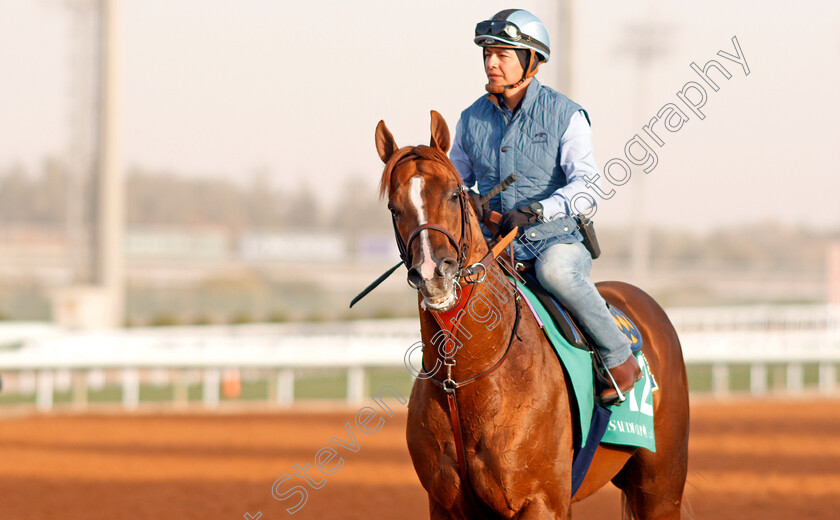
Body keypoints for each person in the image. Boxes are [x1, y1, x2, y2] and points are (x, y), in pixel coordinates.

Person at [449, 8, 640, 403]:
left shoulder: (566, 115)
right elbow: (456, 178)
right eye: (487, 54)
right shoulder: (470, 119)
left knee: (555, 273)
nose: (491, 63)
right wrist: (465, 197)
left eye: (502, 55)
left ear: (531, 61)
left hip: (556, 242)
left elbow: (589, 187)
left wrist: (537, 211)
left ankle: (619, 357)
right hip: (496, 247)